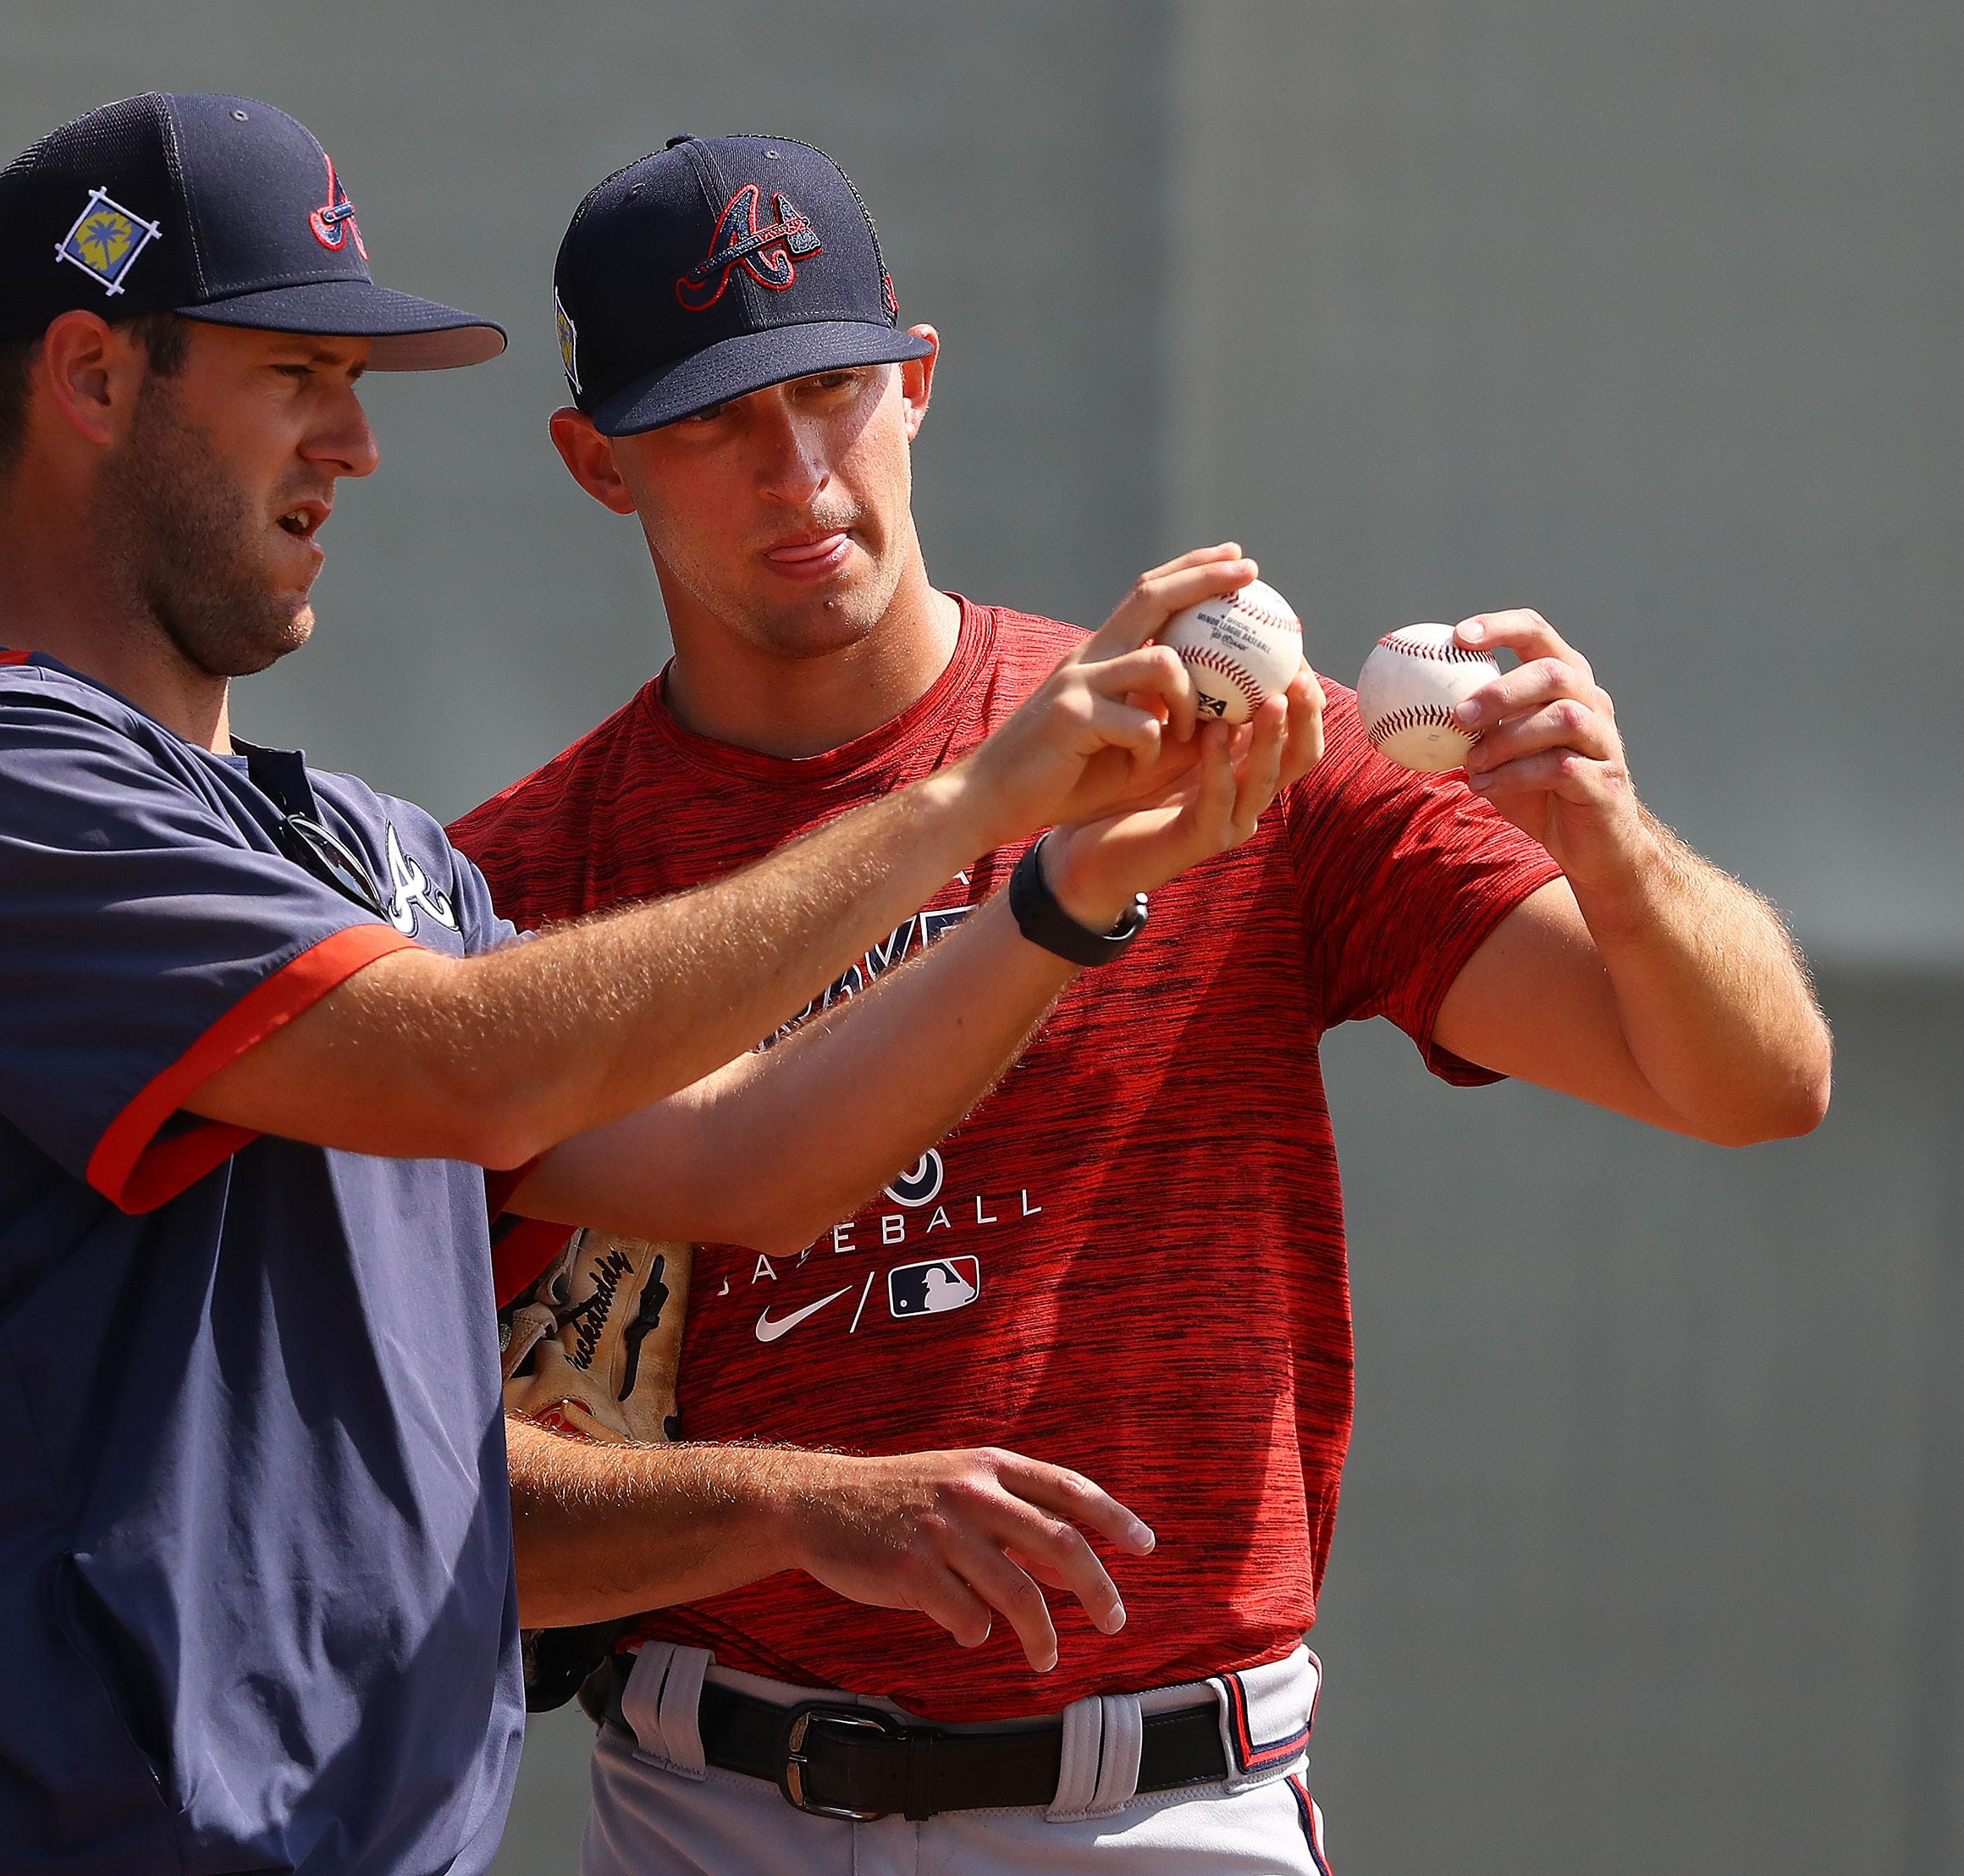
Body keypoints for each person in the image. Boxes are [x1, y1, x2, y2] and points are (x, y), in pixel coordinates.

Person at [0, 97, 1297, 1876]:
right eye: (297, 370)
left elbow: (744, 1158)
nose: (357, 442)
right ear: (93, 373)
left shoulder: (375, 848)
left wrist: (1056, 893)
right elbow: (473, 1072)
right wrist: (963, 799)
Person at [450, 133, 1835, 1873]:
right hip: (716, 1800)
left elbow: (1749, 1084)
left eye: (832, 390)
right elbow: (417, 1492)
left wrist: (1612, 841)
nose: (797, 466)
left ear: (918, 382)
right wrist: (788, 1512)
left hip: (1159, 1804)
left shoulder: (1233, 754)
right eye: (716, 416)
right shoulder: (508, 892)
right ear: (596, 464)